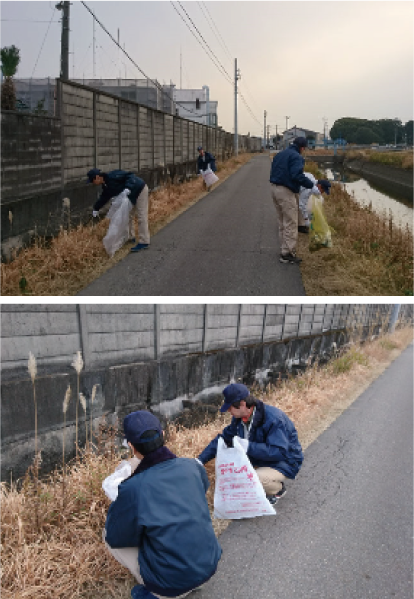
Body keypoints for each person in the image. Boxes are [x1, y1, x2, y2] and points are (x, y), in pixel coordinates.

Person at [104, 410, 222, 599]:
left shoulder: (133, 488)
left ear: (131, 446)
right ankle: (188, 581)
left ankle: (157, 593)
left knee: (108, 534)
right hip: (208, 565)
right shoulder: (192, 466)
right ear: (164, 435)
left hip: (171, 584)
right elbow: (201, 490)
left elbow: (117, 538)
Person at [197, 383, 303, 506]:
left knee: (253, 479)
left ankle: (277, 489)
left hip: (286, 461)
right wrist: (200, 460)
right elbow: (224, 439)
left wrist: (248, 446)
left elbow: (279, 452)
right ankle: (261, 479)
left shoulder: (273, 419)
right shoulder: (239, 418)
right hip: (261, 459)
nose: (228, 411)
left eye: (230, 407)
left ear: (242, 404)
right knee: (234, 475)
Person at [270, 137, 320, 264]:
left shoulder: (280, 154)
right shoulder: (297, 157)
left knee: (282, 221)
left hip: (274, 189)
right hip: (286, 191)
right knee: (291, 222)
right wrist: (311, 185)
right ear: (302, 148)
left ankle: (284, 249)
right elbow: (296, 175)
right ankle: (287, 253)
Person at [87, 168, 150, 253]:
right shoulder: (106, 186)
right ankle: (130, 237)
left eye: (92, 181)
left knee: (141, 216)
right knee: (127, 216)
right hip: (130, 196)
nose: (92, 183)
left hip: (139, 190)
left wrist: (128, 188)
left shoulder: (113, 176)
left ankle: (144, 242)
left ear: (97, 177)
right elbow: (104, 197)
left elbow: (130, 175)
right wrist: (96, 208)